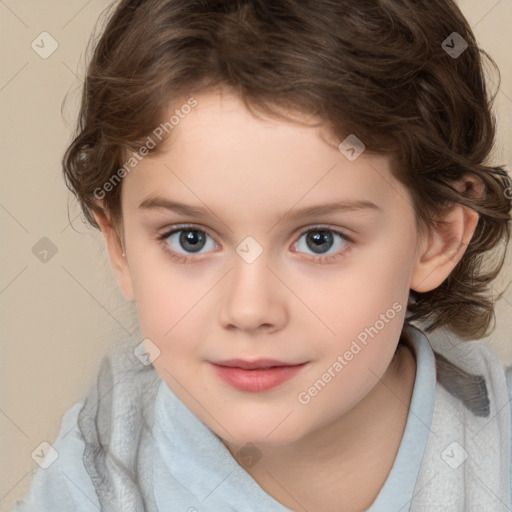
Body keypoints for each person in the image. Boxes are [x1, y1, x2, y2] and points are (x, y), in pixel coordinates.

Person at [11, 0, 512, 510]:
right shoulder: (95, 480)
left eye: (320, 240)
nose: (249, 310)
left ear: (439, 236)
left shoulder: (498, 457)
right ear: (119, 245)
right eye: (190, 239)